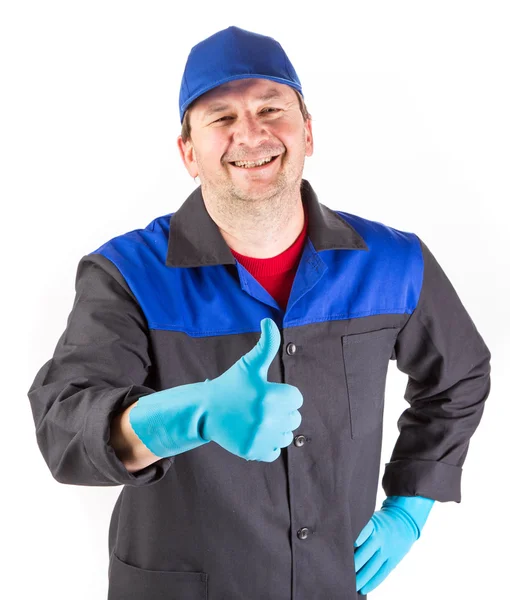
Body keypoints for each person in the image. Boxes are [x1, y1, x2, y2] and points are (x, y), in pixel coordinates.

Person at [28, 25, 491, 599]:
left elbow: (461, 373)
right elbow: (63, 428)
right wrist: (192, 414)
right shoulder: (128, 274)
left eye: (272, 108)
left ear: (308, 133)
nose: (251, 133)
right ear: (188, 152)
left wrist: (412, 503)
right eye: (220, 118)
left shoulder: (394, 265)